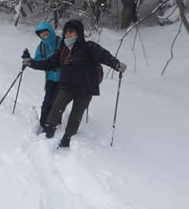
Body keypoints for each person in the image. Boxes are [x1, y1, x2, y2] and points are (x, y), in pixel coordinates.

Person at [22, 19, 127, 148]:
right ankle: (48, 132)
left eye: (71, 31)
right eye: (65, 32)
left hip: (85, 89)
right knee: (55, 109)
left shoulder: (89, 47)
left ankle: (67, 138)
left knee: (76, 114)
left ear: (79, 32)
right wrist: (32, 63)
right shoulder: (63, 49)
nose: (67, 34)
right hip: (66, 86)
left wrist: (116, 64)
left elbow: (104, 56)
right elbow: (48, 63)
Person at [32, 21, 61, 132]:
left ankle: (56, 124)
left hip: (62, 78)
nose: (44, 35)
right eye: (42, 34)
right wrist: (29, 60)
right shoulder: (42, 46)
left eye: (46, 33)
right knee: (46, 102)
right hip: (49, 78)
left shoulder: (60, 41)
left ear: (50, 31)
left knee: (56, 102)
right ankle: (43, 124)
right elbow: (38, 62)